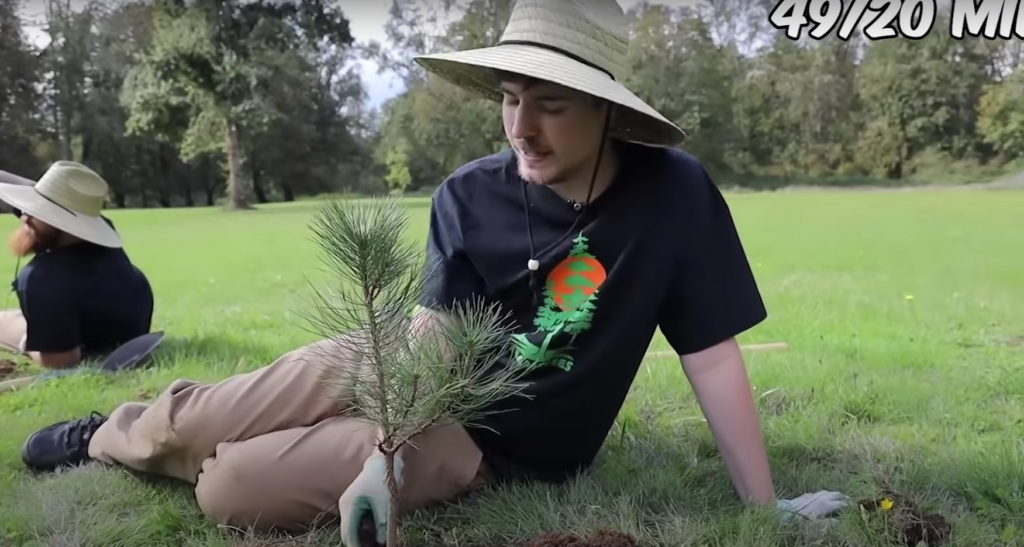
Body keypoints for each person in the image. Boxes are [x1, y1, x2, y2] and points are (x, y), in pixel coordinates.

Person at [19, 0, 849, 544]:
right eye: (510, 98)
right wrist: (383, 450)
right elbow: (436, 340)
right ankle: (105, 434)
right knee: (192, 425)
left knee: (229, 487)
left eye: (551, 105)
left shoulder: (674, 198)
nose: (522, 126)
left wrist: (763, 505)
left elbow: (711, 353)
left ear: (609, 112)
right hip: (391, 361)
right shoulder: (467, 193)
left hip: (489, 445)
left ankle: (206, 448)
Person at [0, 161, 155, 369]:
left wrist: (25, 341)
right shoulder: (103, 244)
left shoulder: (42, 276)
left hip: (71, 346)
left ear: (62, 221)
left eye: (37, 211)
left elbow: (59, 362)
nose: (25, 216)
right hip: (120, 331)